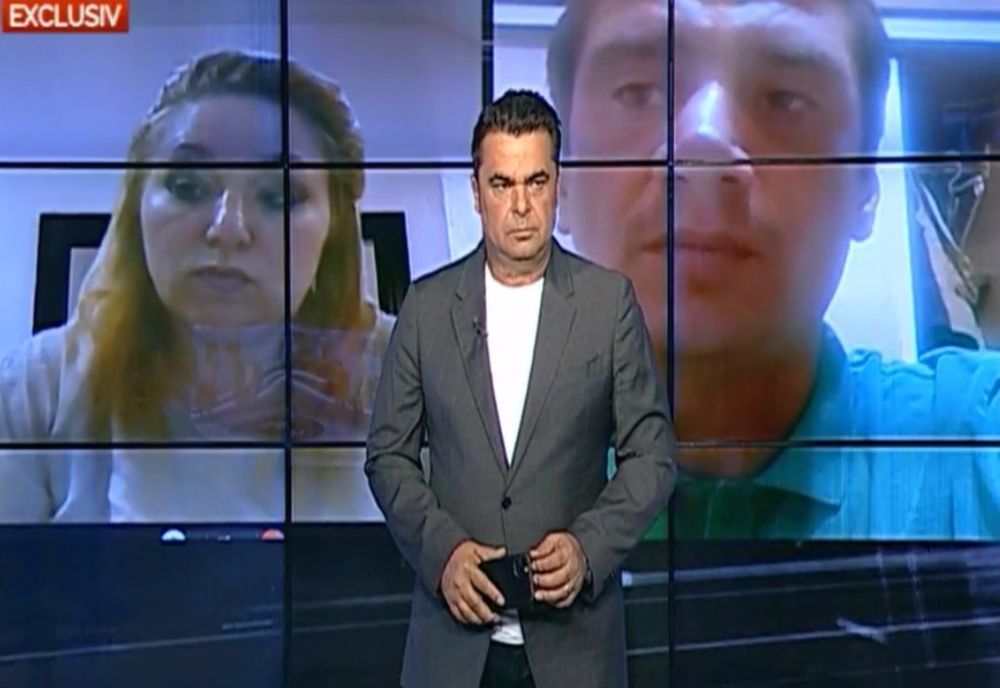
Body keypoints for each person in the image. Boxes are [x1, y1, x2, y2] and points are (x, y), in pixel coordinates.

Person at [545, 0, 1000, 538]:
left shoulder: (975, 439)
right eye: (639, 92)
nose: (703, 149)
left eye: (785, 99)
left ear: (865, 188)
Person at [0, 49, 393, 523]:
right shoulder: (39, 387)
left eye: (279, 195)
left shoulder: (414, 377)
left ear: (334, 230)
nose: (227, 229)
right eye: (187, 187)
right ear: (136, 209)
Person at [365, 90, 676, 688]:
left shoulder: (608, 304)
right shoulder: (427, 309)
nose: (521, 206)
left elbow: (653, 457)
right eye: (502, 184)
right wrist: (442, 553)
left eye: (536, 181)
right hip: (453, 649)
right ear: (476, 192)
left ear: (559, 185)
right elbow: (387, 456)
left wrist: (586, 548)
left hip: (574, 651)